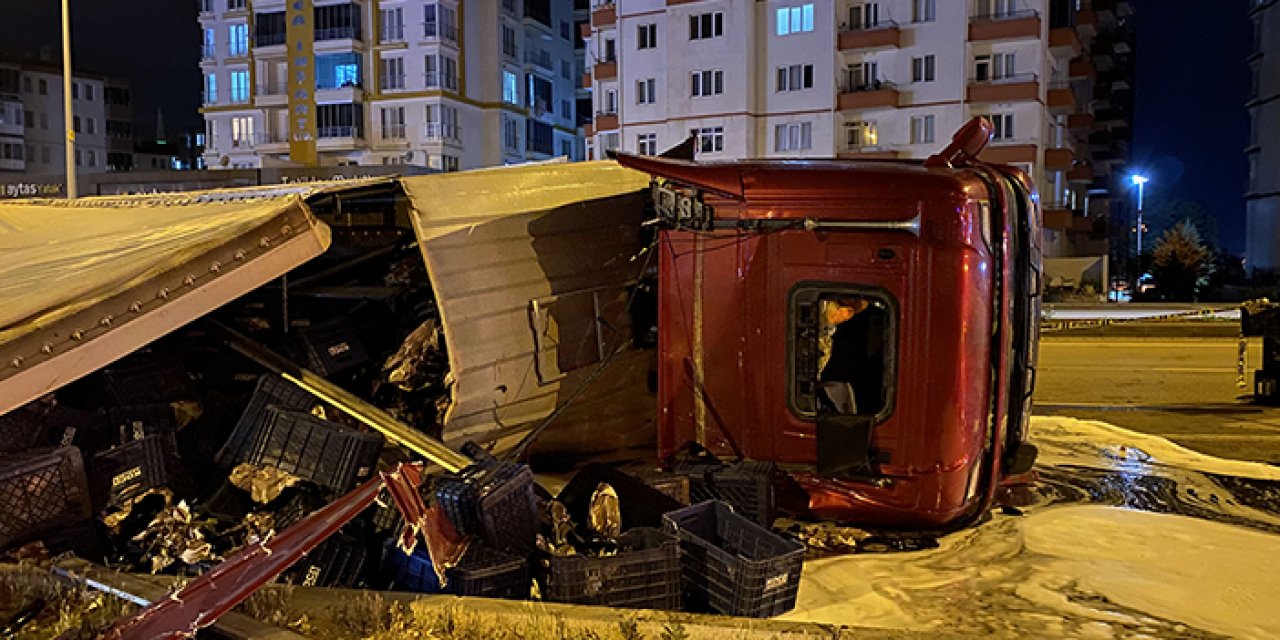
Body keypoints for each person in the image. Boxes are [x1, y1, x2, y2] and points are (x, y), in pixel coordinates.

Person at [817, 298, 869, 414]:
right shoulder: (820, 307)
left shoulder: (829, 332)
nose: (848, 314)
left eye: (853, 311)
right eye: (850, 307)